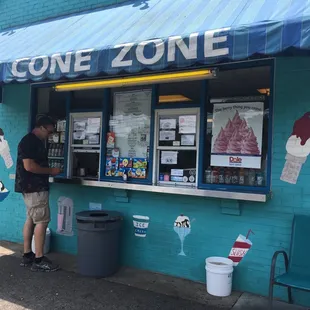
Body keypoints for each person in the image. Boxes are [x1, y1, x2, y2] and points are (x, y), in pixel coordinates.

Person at [15, 116, 61, 272]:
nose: (50, 135)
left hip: (29, 187)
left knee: (31, 219)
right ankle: (39, 259)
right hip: (34, 187)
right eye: (49, 131)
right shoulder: (30, 141)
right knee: (42, 220)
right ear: (41, 127)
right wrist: (51, 171)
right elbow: (29, 166)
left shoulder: (31, 141)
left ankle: (28, 255)